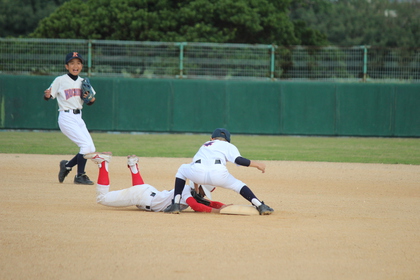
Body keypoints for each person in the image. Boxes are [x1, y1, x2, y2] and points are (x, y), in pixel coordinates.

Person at [164, 128, 274, 215]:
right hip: (218, 173)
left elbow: (195, 165)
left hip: (197, 171)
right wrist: (257, 165)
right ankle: (260, 205)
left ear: (212, 138)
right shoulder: (228, 145)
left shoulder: (206, 144)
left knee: (182, 169)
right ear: (228, 140)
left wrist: (196, 188)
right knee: (238, 185)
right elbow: (238, 160)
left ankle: (175, 204)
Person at [83, 152, 228, 213]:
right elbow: (196, 206)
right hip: (143, 196)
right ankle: (103, 164)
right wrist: (217, 212)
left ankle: (133, 166)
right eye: (204, 191)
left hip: (147, 192)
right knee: (102, 198)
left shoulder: (191, 191)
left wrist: (225, 207)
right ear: (200, 186)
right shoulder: (185, 191)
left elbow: (207, 203)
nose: (204, 194)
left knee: (138, 190)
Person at [43, 52, 97, 185]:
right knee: (84, 145)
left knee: (90, 148)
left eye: (78, 63)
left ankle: (67, 166)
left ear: (81, 66)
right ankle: (80, 175)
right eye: (72, 63)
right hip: (66, 117)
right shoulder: (60, 80)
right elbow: (49, 96)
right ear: (66, 66)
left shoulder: (83, 82)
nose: (75, 66)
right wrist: (47, 95)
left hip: (79, 118)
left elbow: (91, 100)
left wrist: (89, 98)